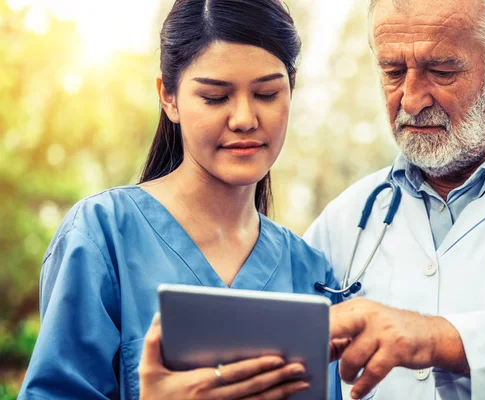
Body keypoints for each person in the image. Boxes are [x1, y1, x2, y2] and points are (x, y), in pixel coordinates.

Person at [18, 1, 342, 399]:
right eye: (214, 97)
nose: (244, 118)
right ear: (168, 97)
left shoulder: (311, 272)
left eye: (267, 93)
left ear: (292, 88)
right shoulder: (103, 235)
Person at [304, 0, 485, 399]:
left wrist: (441, 340)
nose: (410, 100)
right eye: (393, 72)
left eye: (441, 71)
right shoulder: (346, 218)